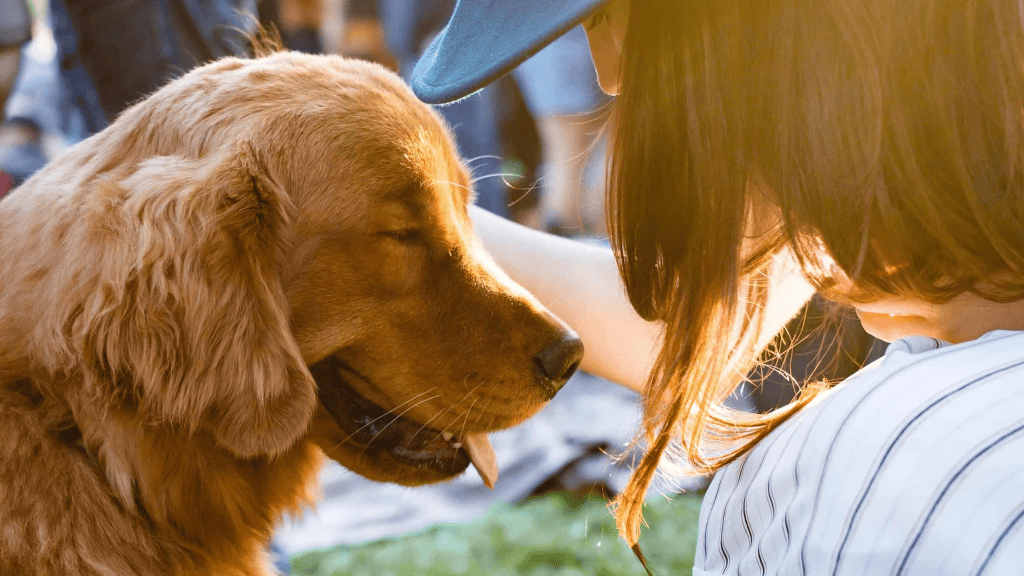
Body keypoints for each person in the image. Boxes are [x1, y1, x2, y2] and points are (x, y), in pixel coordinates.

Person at [411, 0, 1024, 574]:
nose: (609, 77)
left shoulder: (865, 471)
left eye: (602, 20)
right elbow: (689, 327)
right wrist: (417, 220)